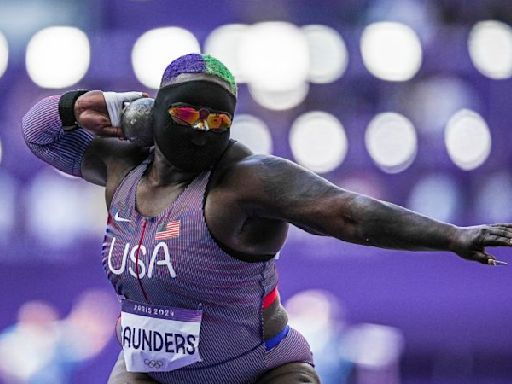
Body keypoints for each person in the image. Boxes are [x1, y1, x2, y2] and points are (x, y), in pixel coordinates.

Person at [22, 53, 510, 384]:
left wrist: (452, 236)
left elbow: (348, 214)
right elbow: (40, 131)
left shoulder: (245, 179)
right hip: (152, 372)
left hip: (262, 372)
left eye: (217, 120)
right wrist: (97, 104)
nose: (201, 131)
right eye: (187, 113)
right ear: (153, 113)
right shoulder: (121, 165)